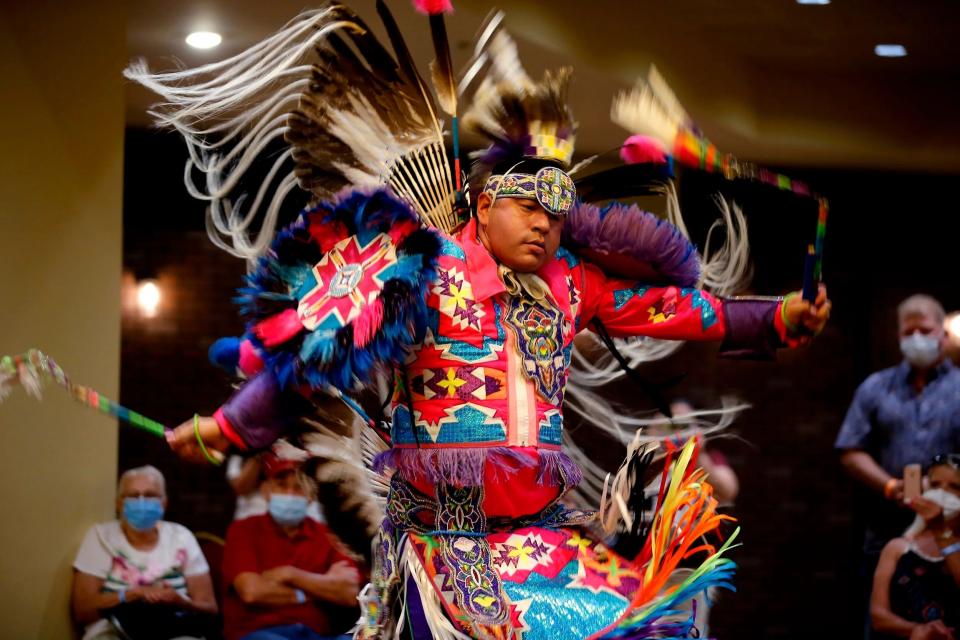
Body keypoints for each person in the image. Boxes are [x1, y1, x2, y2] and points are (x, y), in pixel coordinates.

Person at [129, 5, 831, 637]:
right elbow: (310, 361)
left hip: (542, 536)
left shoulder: (569, 285)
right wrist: (227, 429)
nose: (544, 226)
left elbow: (676, 311)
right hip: (446, 541)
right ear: (483, 200)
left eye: (557, 216)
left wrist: (776, 319)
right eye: (527, 208)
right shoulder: (414, 270)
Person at [836, 294, 960, 637]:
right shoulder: (876, 387)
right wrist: (891, 486)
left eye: (925, 329)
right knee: (882, 622)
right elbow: (849, 448)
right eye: (909, 331)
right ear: (898, 337)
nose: (917, 337)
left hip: (951, 538)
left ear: (943, 334)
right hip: (886, 530)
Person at [221, 455, 360, 640]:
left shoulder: (327, 535)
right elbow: (252, 592)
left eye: (298, 487)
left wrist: (289, 574)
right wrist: (316, 590)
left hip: (316, 634)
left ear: (311, 495)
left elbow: (349, 593)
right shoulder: (243, 530)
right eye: (281, 485)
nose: (290, 494)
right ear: (266, 491)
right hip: (261, 633)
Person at [71, 465, 217, 640]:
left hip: (176, 628)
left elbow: (210, 608)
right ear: (118, 503)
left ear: (164, 503)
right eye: (132, 496)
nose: (141, 502)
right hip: (114, 628)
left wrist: (180, 600)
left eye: (150, 495)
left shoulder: (182, 537)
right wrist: (133, 594)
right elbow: (82, 610)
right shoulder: (101, 537)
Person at [870, 454, 960, 639]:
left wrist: (940, 529)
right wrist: (916, 630)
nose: (941, 494)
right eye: (935, 485)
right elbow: (879, 617)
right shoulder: (898, 548)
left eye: (955, 487)